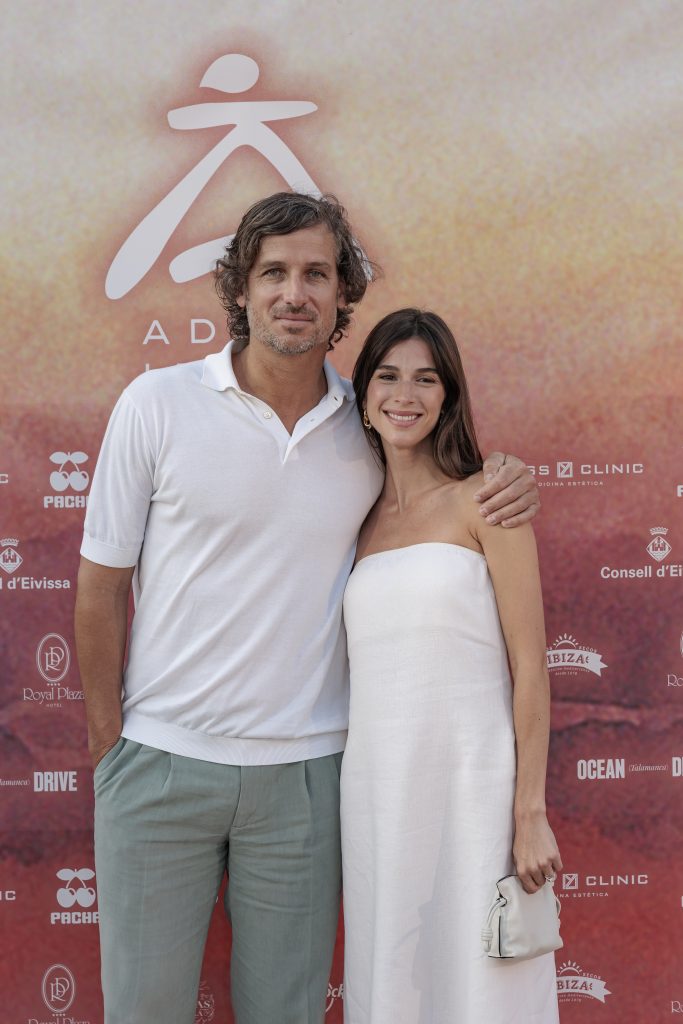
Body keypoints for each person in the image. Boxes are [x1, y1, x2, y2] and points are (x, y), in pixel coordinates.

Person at [74, 193, 540, 1024]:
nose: (295, 293)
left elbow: (436, 482)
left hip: (306, 781)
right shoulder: (156, 404)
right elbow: (102, 583)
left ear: (341, 293)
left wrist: (506, 474)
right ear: (240, 288)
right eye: (275, 273)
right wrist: (111, 748)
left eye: (317, 274)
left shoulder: (365, 428)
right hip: (160, 764)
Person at [341, 308, 561, 1024]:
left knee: (483, 989)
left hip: (476, 795)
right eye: (387, 376)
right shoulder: (352, 522)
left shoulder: (485, 499)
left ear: (448, 397)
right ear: (363, 394)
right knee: (395, 984)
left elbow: (531, 668)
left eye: (426, 379)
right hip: (378, 798)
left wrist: (528, 813)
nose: (404, 395)